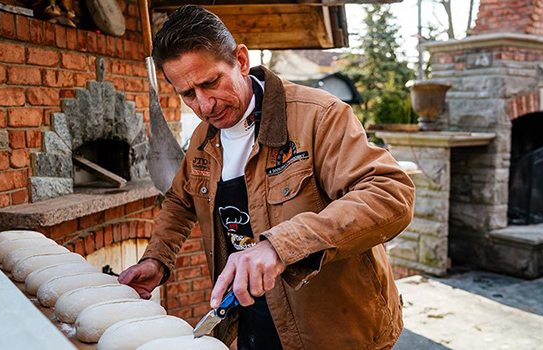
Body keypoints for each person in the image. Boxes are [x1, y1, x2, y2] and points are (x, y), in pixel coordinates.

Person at [118, 5, 415, 350]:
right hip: (250, 322)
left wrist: (280, 246)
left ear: (241, 61)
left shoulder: (319, 117)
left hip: (335, 328)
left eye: (210, 82)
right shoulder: (203, 139)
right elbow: (181, 202)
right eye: (187, 94)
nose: (204, 105)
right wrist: (158, 258)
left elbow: (390, 194)